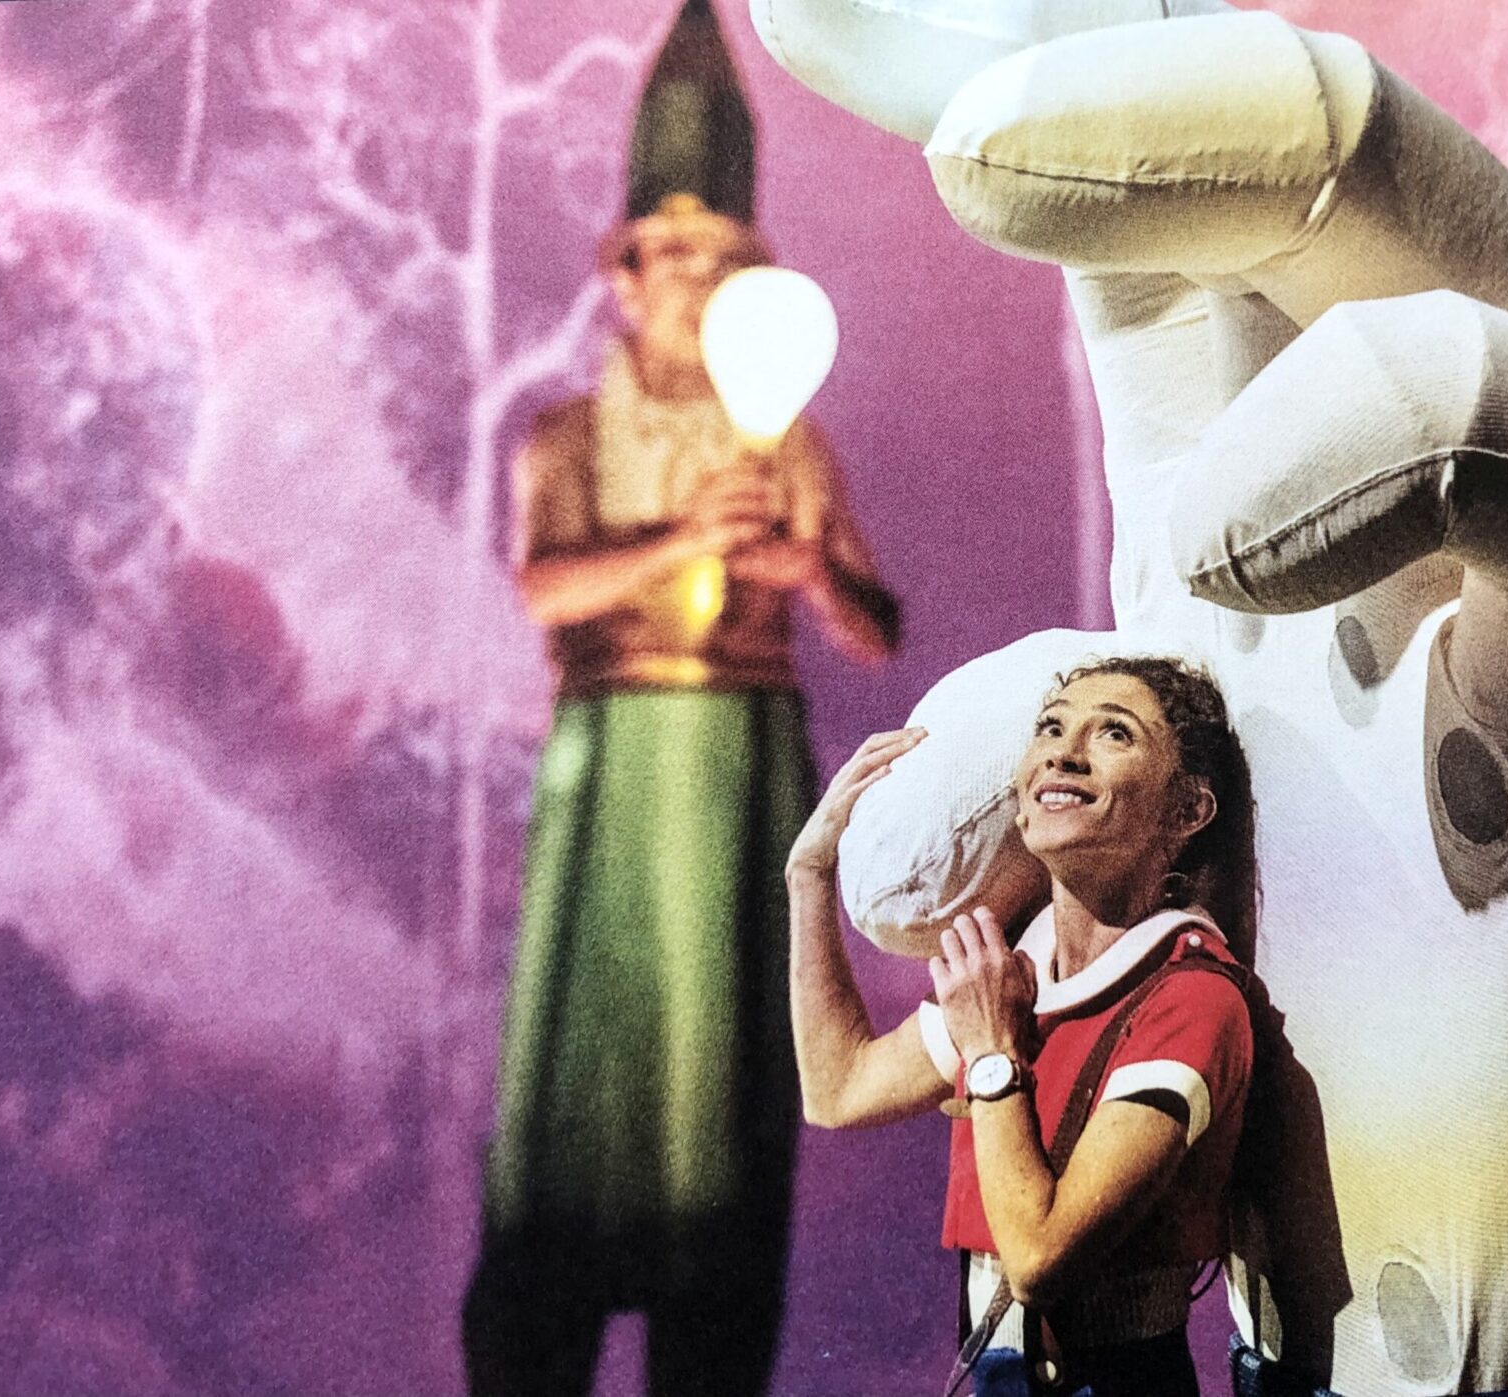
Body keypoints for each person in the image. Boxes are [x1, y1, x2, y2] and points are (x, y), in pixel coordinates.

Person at [461, 6, 901, 1393]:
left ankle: (710, 1310)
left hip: (742, 765)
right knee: (589, 1047)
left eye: (723, 264)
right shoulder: (563, 434)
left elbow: (876, 627)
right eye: (674, 258)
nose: (696, 285)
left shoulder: (790, 439)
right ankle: (551, 1293)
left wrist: (808, 567)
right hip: (613, 766)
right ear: (628, 276)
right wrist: (683, 543)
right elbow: (545, 586)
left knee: (723, 1060)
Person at [786, 657, 1253, 1397]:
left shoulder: (1190, 997)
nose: (1064, 753)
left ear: (1188, 809)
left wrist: (991, 1057)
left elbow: (1039, 1258)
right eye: (1051, 728)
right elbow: (838, 1088)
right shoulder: (1019, 970)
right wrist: (809, 875)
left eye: (1115, 734)